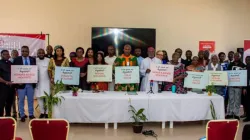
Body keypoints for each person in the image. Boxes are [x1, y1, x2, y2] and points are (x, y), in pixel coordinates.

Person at [13, 46, 36, 122]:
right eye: (22, 51)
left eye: (26, 51)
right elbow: (14, 72)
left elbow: (35, 71)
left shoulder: (33, 59)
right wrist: (17, 81)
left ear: (28, 51)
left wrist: (34, 79)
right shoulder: (17, 59)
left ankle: (31, 114)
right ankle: (22, 114)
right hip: (20, 85)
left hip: (30, 83)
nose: (24, 52)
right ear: (21, 52)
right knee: (21, 100)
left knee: (30, 100)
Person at [226, 52, 246, 120]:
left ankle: (236, 114)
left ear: (240, 57)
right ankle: (230, 113)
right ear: (234, 57)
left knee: (237, 100)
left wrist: (242, 85)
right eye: (235, 56)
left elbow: (244, 76)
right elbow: (227, 74)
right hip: (231, 85)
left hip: (239, 86)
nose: (236, 57)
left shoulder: (243, 65)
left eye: (238, 56)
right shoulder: (230, 65)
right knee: (231, 99)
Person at [35, 49, 50, 118]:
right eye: (39, 53)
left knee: (47, 97)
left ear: (44, 53)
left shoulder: (49, 60)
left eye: (42, 53)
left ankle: (46, 113)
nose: (41, 54)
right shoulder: (35, 60)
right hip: (38, 83)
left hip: (47, 82)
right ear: (37, 54)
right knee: (39, 97)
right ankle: (41, 112)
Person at [0, 50, 15, 117]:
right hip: (2, 87)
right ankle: (1, 117)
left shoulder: (10, 63)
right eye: (5, 54)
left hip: (11, 87)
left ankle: (8, 117)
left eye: (7, 54)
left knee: (9, 103)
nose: (6, 55)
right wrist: (6, 82)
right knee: (1, 103)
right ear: (1, 55)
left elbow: (15, 74)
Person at [243, 56, 250, 122]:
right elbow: (245, 78)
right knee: (247, 103)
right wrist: (244, 87)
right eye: (246, 59)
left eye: (248, 59)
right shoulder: (245, 67)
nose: (247, 60)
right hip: (247, 87)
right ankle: (248, 116)